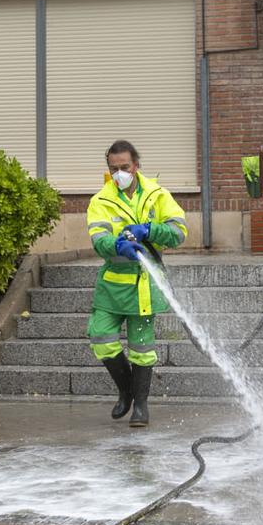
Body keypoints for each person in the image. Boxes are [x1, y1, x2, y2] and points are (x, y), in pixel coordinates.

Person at [84, 140, 187, 427]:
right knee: (101, 338)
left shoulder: (158, 195)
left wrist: (150, 230)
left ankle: (140, 405)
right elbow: (98, 240)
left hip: (145, 287)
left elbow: (179, 233)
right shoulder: (101, 201)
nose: (120, 174)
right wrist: (117, 246)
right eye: (114, 169)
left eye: (124, 167)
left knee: (142, 347)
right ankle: (126, 390)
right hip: (112, 287)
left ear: (136, 165)